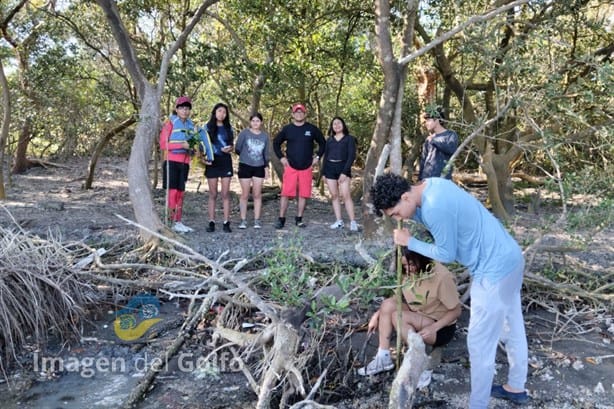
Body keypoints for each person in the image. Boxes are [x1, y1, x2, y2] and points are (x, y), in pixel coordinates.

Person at [370, 173, 529, 408]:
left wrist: (409, 242)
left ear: (405, 196)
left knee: (479, 343)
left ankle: (478, 405)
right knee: (512, 325)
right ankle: (516, 386)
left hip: (493, 272)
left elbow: (447, 254)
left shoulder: (434, 206)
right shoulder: (432, 185)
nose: (397, 219)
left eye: (395, 214)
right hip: (511, 259)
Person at [358, 248, 461, 376]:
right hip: (418, 312)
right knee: (387, 304)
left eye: (411, 264)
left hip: (439, 326)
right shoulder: (406, 271)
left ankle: (420, 364)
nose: (407, 269)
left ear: (422, 260)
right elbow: (399, 295)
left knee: (398, 316)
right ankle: (383, 356)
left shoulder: (441, 276)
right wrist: (378, 314)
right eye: (404, 265)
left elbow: (456, 310)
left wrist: (434, 328)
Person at [273, 103, 326, 229]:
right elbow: (276, 143)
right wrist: (282, 158)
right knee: (285, 193)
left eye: (301, 112)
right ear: (292, 114)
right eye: (296, 112)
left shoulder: (312, 129)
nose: (299, 114)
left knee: (303, 194)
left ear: (305, 114)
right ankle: (281, 219)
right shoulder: (287, 129)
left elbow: (323, 143)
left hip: (306, 167)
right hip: (291, 166)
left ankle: (299, 219)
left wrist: (317, 157)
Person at [159, 96, 198, 233]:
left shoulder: (191, 125)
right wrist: (181, 144)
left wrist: (193, 150)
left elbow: (193, 144)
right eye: (181, 108)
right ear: (176, 109)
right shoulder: (169, 123)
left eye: (187, 108)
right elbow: (163, 144)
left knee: (181, 193)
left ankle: (178, 221)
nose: (184, 111)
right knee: (172, 192)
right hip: (171, 161)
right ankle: (170, 221)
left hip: (185, 162)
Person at [321, 117, 359, 232]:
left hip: (343, 168)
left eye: (339, 123)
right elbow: (325, 157)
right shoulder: (329, 140)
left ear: (343, 125)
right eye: (334, 124)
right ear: (332, 127)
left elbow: (351, 156)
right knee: (334, 195)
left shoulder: (349, 139)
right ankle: (339, 221)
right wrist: (323, 173)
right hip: (329, 169)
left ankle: (353, 222)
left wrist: (344, 172)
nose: (336, 125)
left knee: (346, 195)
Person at [234, 112, 270, 229]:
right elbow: (238, 148)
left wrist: (266, 167)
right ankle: (243, 220)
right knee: (244, 194)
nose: (255, 123)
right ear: (250, 122)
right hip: (245, 166)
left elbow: (266, 153)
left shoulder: (264, 136)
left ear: (261, 122)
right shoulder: (244, 133)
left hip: (259, 166)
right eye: (253, 121)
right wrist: (246, 157)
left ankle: (257, 220)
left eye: (258, 121)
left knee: (257, 194)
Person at [202, 102, 234, 233]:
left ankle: (226, 222)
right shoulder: (207, 128)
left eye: (224, 112)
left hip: (225, 161)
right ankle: (211, 221)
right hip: (212, 162)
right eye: (220, 111)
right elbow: (201, 146)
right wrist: (203, 159)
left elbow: (232, 145)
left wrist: (230, 148)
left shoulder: (229, 128)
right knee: (213, 193)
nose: (222, 114)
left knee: (225, 193)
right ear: (214, 112)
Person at [418, 106, 458, 180]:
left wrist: (433, 141)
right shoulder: (429, 139)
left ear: (436, 120)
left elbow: (451, 149)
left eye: (428, 120)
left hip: (443, 179)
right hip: (426, 179)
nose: (426, 123)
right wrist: (420, 180)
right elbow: (423, 160)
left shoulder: (450, 134)